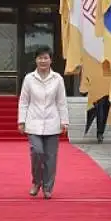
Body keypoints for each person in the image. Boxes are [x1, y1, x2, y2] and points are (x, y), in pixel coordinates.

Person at [18, 48, 69, 199]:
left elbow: (61, 102)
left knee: (51, 157)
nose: (43, 61)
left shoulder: (57, 79)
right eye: (40, 58)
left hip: (52, 122)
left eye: (46, 58)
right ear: (36, 60)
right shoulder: (29, 78)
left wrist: (64, 121)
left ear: (51, 60)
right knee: (37, 152)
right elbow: (24, 101)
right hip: (33, 122)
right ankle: (36, 182)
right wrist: (21, 121)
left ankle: (48, 187)